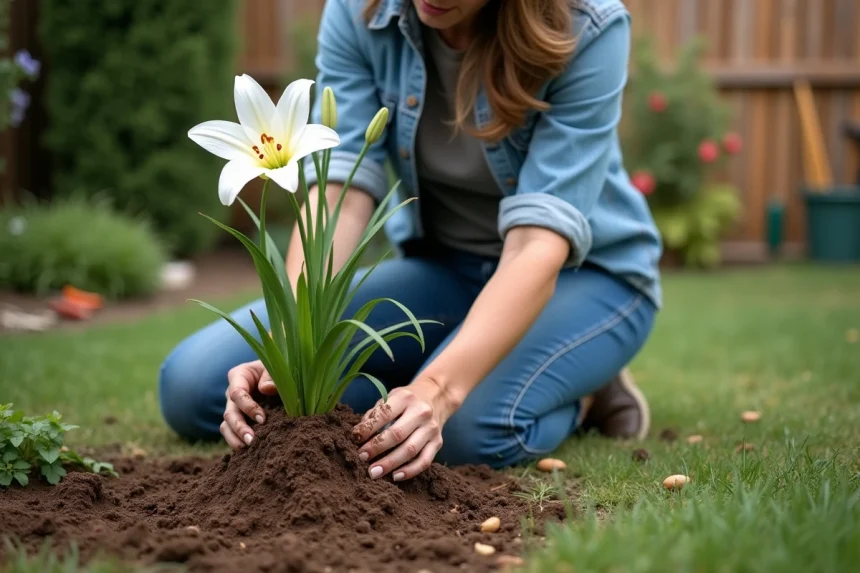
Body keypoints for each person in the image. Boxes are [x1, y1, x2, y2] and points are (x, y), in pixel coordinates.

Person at [159, 0, 662, 482]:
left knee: (459, 435)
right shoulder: (361, 9)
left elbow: (537, 243)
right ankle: (447, 365)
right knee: (198, 387)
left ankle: (587, 391)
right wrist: (292, 349)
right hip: (444, 270)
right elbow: (340, 191)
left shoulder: (588, 25)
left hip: (585, 279)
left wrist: (437, 389)